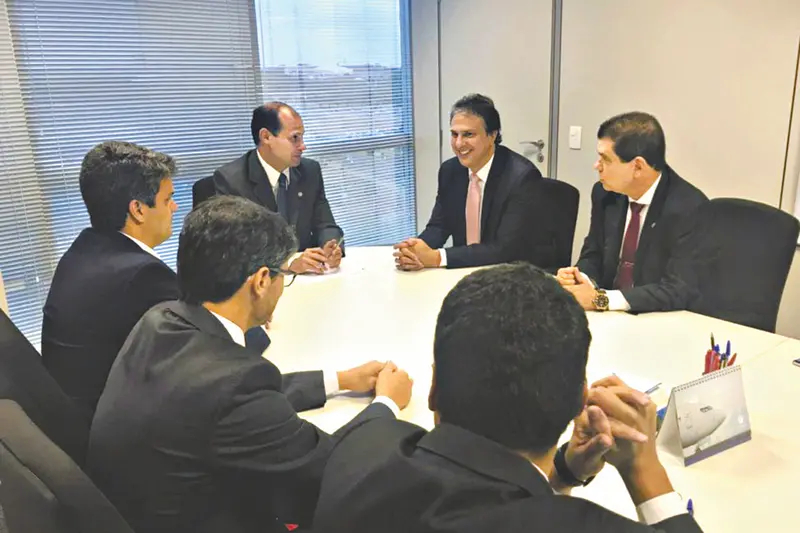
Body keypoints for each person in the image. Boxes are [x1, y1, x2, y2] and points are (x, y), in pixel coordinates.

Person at [88, 196, 413, 533]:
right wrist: (386, 404)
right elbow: (329, 473)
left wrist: (338, 380)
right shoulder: (234, 384)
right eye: (283, 274)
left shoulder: (160, 320)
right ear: (260, 281)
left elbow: (221, 399)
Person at [313, 264, 702, 533]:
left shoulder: (359, 452)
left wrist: (562, 473)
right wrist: (644, 470)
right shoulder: (583, 524)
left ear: (433, 390)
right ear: (580, 401)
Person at [42, 141, 180, 417]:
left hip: (72, 419)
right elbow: (204, 349)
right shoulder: (143, 274)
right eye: (167, 200)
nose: (175, 208)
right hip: (117, 427)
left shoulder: (82, 250)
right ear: (138, 209)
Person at [556, 112, 708, 313]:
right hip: (609, 316)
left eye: (605, 159)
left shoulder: (689, 207)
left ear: (637, 166)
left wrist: (600, 299)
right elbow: (594, 252)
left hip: (655, 318)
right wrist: (581, 278)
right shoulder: (605, 194)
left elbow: (677, 290)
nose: (596, 166)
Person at [394, 94, 546, 270]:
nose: (459, 144)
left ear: (492, 135)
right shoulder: (450, 171)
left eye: (468, 134)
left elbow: (504, 249)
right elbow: (439, 226)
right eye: (454, 134)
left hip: (507, 273)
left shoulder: (522, 178)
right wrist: (415, 250)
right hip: (463, 269)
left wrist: (437, 258)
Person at [209, 102, 344, 275]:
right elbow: (235, 247)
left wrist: (330, 247)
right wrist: (287, 263)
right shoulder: (232, 180)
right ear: (266, 137)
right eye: (295, 138)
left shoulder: (310, 171)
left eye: (302, 137)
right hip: (259, 280)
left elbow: (326, 225)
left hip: (309, 277)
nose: (303, 146)